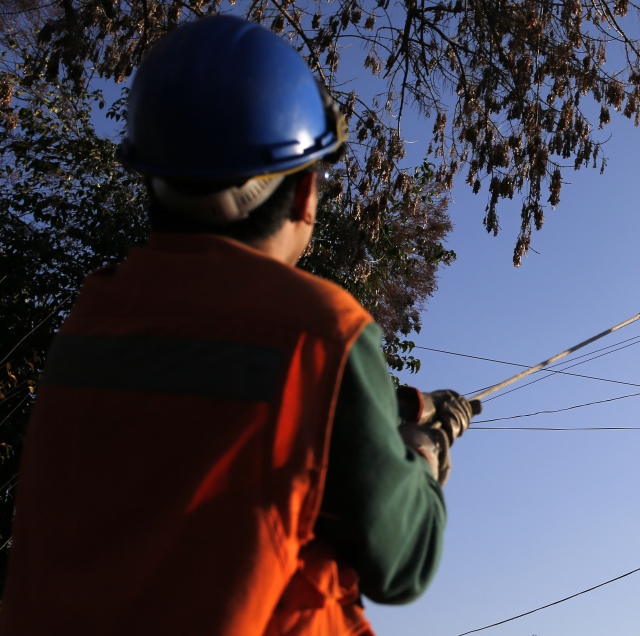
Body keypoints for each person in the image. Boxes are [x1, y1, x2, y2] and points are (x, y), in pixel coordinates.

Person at [0, 16, 472, 636]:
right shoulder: (323, 332)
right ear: (304, 194)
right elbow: (402, 563)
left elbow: (236, 395)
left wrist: (408, 404)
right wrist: (425, 456)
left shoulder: (94, 322)